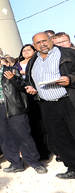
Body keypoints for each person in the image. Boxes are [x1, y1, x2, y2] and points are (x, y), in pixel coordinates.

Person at [0, 52, 47, 174]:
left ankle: (35, 162)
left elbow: (23, 86)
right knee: (5, 138)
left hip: (14, 107)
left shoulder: (11, 70)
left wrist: (13, 79)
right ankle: (15, 163)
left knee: (23, 135)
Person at [25, 32, 75, 179]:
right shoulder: (33, 61)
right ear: (34, 46)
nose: (42, 44)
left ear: (51, 40)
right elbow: (29, 79)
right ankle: (72, 167)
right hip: (47, 105)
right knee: (59, 137)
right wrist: (31, 87)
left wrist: (70, 79)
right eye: (38, 43)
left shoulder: (68, 53)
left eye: (44, 41)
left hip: (68, 100)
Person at [14, 44, 51, 160]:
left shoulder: (38, 61)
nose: (25, 52)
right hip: (25, 98)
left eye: (28, 50)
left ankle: (48, 149)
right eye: (23, 50)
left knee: (44, 123)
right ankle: (38, 151)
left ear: (34, 51)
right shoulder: (16, 66)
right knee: (32, 126)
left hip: (39, 95)